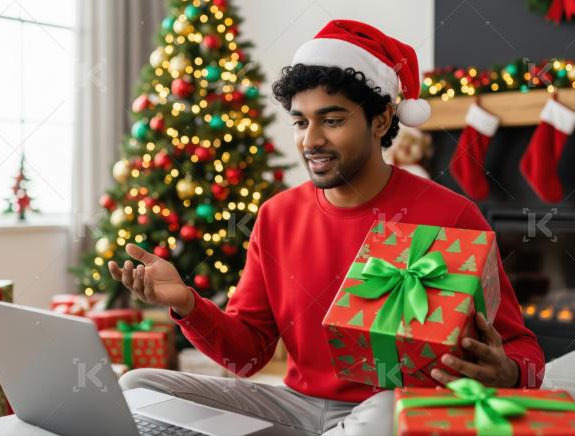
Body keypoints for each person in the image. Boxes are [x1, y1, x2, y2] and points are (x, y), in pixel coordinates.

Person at [110, 19, 544, 436]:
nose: (310, 140)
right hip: (296, 407)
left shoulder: (450, 214)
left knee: (389, 409)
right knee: (139, 387)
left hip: (391, 412)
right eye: (301, 121)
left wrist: (508, 371)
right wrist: (187, 304)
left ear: (381, 119)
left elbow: (523, 349)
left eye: (331, 121)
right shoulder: (277, 216)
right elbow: (248, 355)